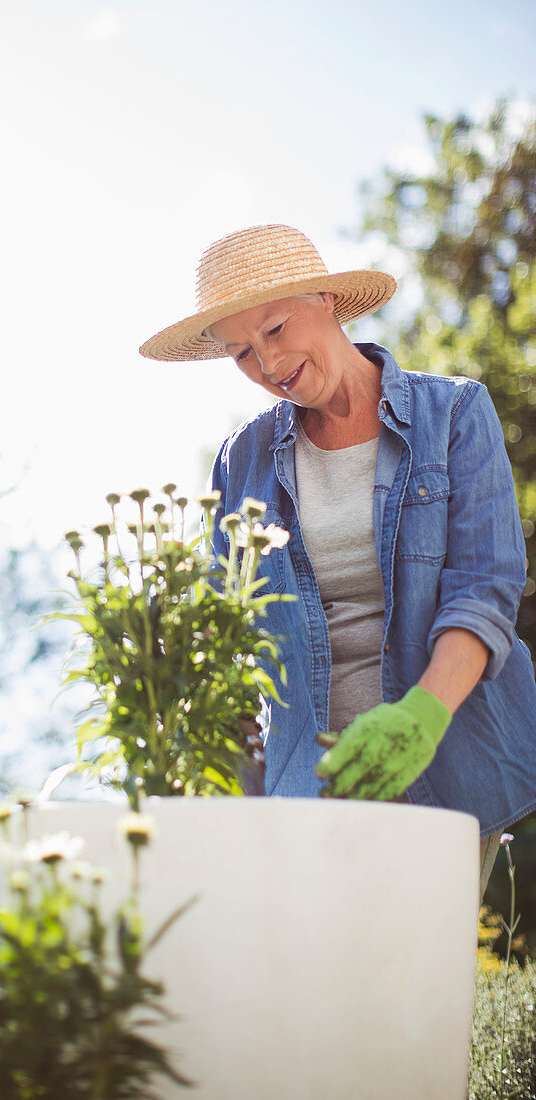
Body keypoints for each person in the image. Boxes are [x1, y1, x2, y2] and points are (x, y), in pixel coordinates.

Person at [139, 223, 536, 899]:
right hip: (307, 785)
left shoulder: (453, 415)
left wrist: (421, 717)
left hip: (442, 756)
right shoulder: (243, 460)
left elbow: (483, 589)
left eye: (273, 328)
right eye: (239, 352)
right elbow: (228, 633)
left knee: (415, 986)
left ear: (325, 299)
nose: (265, 364)